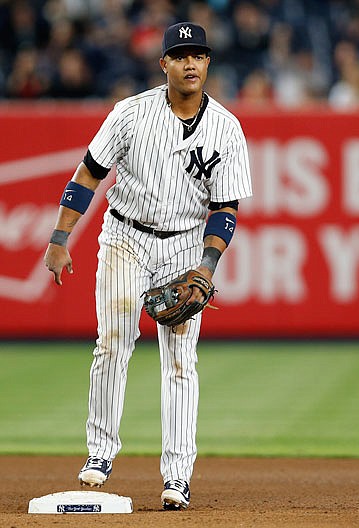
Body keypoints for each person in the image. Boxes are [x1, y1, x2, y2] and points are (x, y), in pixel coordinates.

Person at [43, 22, 252, 510]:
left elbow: (225, 208)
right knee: (113, 340)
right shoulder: (130, 114)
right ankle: (100, 453)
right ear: (164, 64)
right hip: (125, 235)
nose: (190, 63)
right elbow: (89, 174)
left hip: (183, 246)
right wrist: (59, 237)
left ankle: (177, 476)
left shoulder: (226, 127)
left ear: (208, 62)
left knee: (181, 359)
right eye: (180, 55)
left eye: (198, 54)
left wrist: (206, 266)